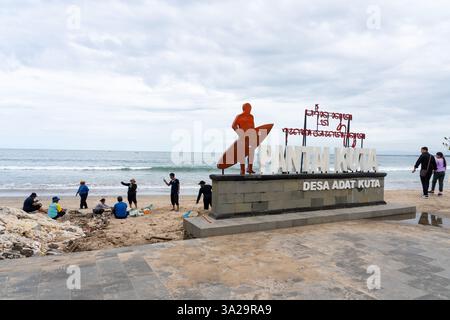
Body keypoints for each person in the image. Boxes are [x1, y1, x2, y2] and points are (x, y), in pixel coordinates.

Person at [232, 103, 257, 175]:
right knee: (242, 153)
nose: (250, 110)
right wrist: (240, 133)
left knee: (251, 152)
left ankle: (249, 168)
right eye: (249, 108)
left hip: (251, 136)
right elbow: (233, 126)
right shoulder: (239, 116)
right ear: (244, 108)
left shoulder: (251, 116)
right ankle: (242, 170)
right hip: (243, 137)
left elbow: (253, 126)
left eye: (250, 108)